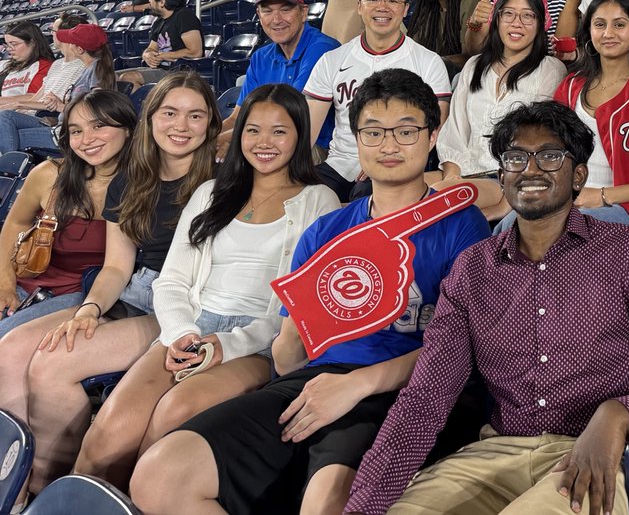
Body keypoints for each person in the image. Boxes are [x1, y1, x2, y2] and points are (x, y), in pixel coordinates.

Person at [341, 99, 629, 515]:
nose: (529, 170)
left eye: (549, 156)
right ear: (502, 175)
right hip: (495, 453)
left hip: (611, 457)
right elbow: (425, 400)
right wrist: (363, 506)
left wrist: (619, 415)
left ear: (578, 176)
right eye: (515, 158)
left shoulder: (626, 253)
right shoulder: (472, 270)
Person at [130, 69, 491, 515]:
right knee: (159, 474)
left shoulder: (461, 223)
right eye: (373, 132)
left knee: (324, 502)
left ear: (432, 135)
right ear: (356, 139)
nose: (389, 145)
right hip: (314, 383)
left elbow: (462, 349)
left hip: (406, 391)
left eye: (406, 131)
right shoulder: (327, 229)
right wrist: (294, 346)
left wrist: (356, 385)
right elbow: (288, 355)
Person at [73, 84, 340, 490]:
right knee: (109, 432)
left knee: (172, 414)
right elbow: (173, 280)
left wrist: (225, 346)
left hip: (257, 340)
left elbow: (295, 310)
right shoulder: (211, 193)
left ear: (300, 136)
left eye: (279, 131)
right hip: (191, 328)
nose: (263, 142)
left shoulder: (320, 201)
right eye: (252, 130)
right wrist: (183, 333)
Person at [0, 71, 219, 493]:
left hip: (186, 304)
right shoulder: (131, 181)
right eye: (169, 113)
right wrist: (90, 309)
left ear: (211, 123)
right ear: (151, 119)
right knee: (14, 350)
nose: (180, 125)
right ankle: (25, 481)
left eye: (195, 116)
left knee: (49, 365)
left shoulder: (227, 181)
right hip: (131, 291)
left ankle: (49, 484)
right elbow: (118, 267)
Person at [304, 0, 451, 202]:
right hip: (340, 164)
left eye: (393, 1)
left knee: (368, 199)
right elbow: (306, 132)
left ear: (405, 9)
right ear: (359, 5)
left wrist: (383, 160)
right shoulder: (332, 61)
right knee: (303, 196)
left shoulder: (428, 62)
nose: (382, 7)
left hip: (396, 162)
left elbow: (434, 132)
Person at [0, 90, 136, 340]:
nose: (87, 140)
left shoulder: (144, 185)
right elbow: (16, 223)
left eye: (99, 126)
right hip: (25, 277)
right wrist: (5, 283)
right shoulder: (49, 174)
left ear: (128, 128)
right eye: (76, 131)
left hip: (85, 294)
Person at [437, 0, 566, 221]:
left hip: (504, 179)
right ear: (496, 19)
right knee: (396, 193)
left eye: (528, 16)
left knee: (427, 201)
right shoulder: (474, 66)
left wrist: (506, 204)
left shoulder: (550, 69)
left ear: (541, 24)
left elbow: (538, 142)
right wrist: (451, 177)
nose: (517, 23)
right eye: (508, 13)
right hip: (461, 172)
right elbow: (455, 128)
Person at [552, 0, 629, 224]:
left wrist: (600, 195)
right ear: (589, 32)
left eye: (619, 24)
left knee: (569, 232)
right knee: (511, 225)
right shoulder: (570, 86)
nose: (608, 34)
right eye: (599, 24)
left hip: (623, 206)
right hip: (566, 199)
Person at [216, 0, 339, 160]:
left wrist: (230, 140)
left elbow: (287, 117)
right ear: (259, 15)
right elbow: (237, 117)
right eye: (267, 11)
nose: (276, 19)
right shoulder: (261, 57)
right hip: (269, 140)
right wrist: (211, 141)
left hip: (314, 148)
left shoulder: (322, 48)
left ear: (303, 12)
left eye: (285, 9)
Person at [0, 14, 92, 152]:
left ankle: (8, 169)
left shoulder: (80, 66)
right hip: (33, 117)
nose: (51, 35)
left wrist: (17, 104)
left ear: (65, 36)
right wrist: (18, 107)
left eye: (54, 31)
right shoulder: (57, 64)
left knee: (5, 118)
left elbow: (55, 103)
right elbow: (37, 97)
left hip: (53, 122)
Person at [119, 0, 203, 88]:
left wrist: (162, 56)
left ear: (162, 2)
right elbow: (151, 48)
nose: (149, 1)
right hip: (160, 70)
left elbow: (195, 52)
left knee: (128, 78)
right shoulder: (159, 22)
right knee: (113, 77)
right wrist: (147, 55)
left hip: (179, 73)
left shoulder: (184, 17)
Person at [0, 21, 53, 100]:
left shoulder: (44, 66)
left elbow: (33, 97)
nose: (9, 49)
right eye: (7, 45)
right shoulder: (3, 65)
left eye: (14, 44)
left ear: (32, 43)